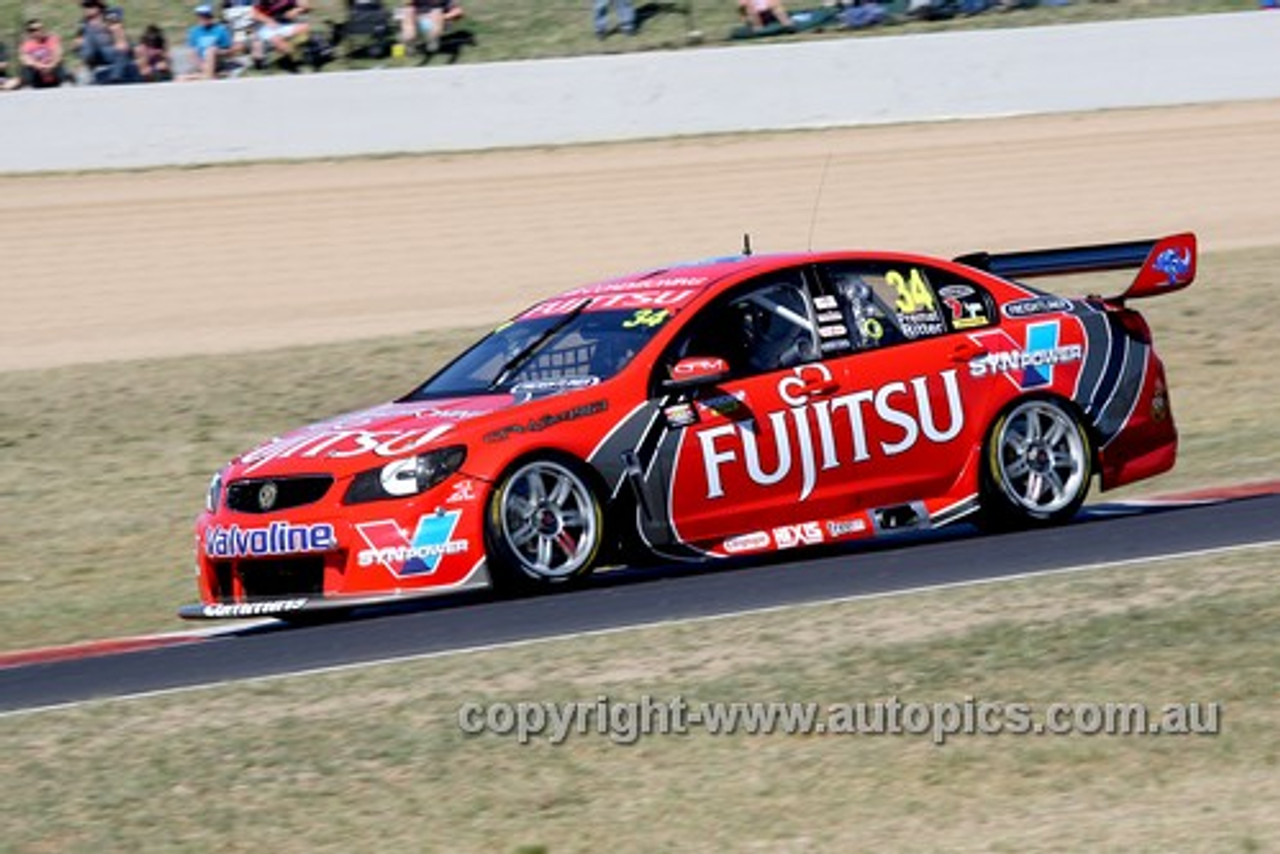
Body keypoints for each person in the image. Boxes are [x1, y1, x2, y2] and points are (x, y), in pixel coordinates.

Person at [79, 0, 140, 84]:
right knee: (88, 39)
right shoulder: (85, 23)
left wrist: (120, 41)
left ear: (98, 7)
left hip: (112, 49)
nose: (86, 9)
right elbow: (81, 42)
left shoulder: (109, 15)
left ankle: (115, 78)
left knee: (121, 51)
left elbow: (117, 29)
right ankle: (91, 78)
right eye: (85, 7)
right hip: (98, 53)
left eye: (89, 6)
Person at [186, 5, 235, 78]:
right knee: (190, 53)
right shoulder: (194, 31)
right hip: (202, 62)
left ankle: (206, 75)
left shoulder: (220, 30)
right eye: (200, 16)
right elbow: (192, 51)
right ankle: (208, 75)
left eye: (205, 16)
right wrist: (202, 65)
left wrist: (216, 51)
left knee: (211, 50)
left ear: (210, 17)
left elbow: (229, 50)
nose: (203, 19)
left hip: (218, 60)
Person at [19, 19, 67, 89]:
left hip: (52, 69)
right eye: (33, 30)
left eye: (39, 29)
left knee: (60, 64)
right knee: (26, 69)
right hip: (38, 72)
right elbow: (26, 60)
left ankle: (64, 83)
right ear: (29, 32)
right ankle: (29, 86)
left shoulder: (52, 39)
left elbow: (58, 54)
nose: (37, 32)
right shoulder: (26, 45)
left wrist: (51, 66)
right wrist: (41, 67)